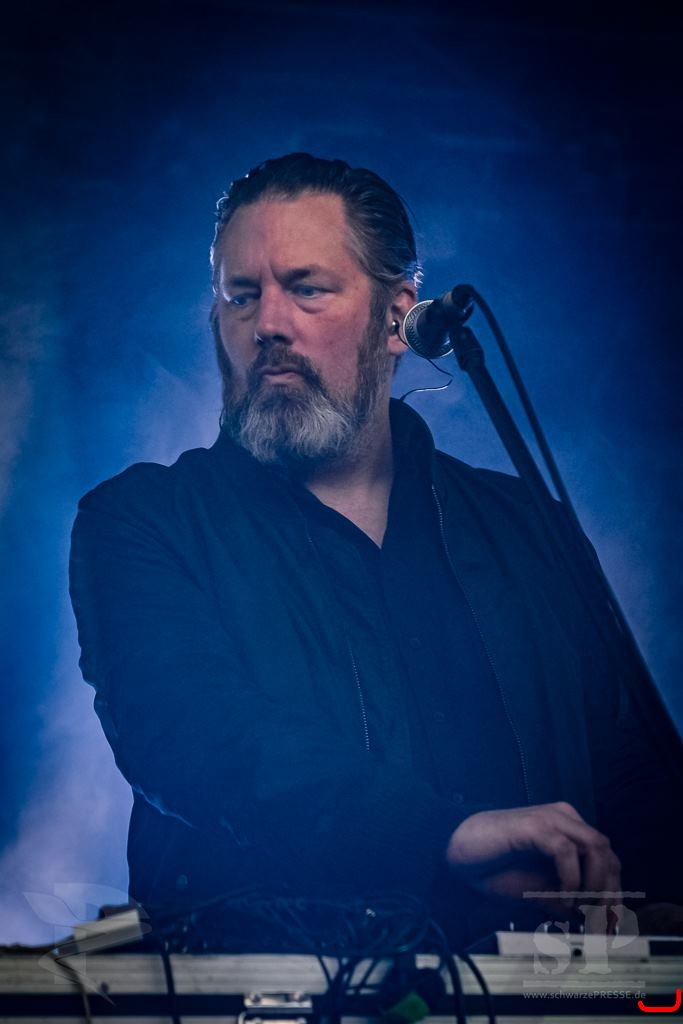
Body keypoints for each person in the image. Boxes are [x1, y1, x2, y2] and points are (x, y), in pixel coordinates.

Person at [69, 153, 682, 950]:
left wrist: (654, 905)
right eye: (241, 296)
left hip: (537, 990)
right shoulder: (143, 521)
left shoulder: (528, 525)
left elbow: (626, 771)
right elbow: (192, 738)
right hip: (257, 985)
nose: (268, 324)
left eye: (306, 288)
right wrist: (441, 837)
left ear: (397, 321)